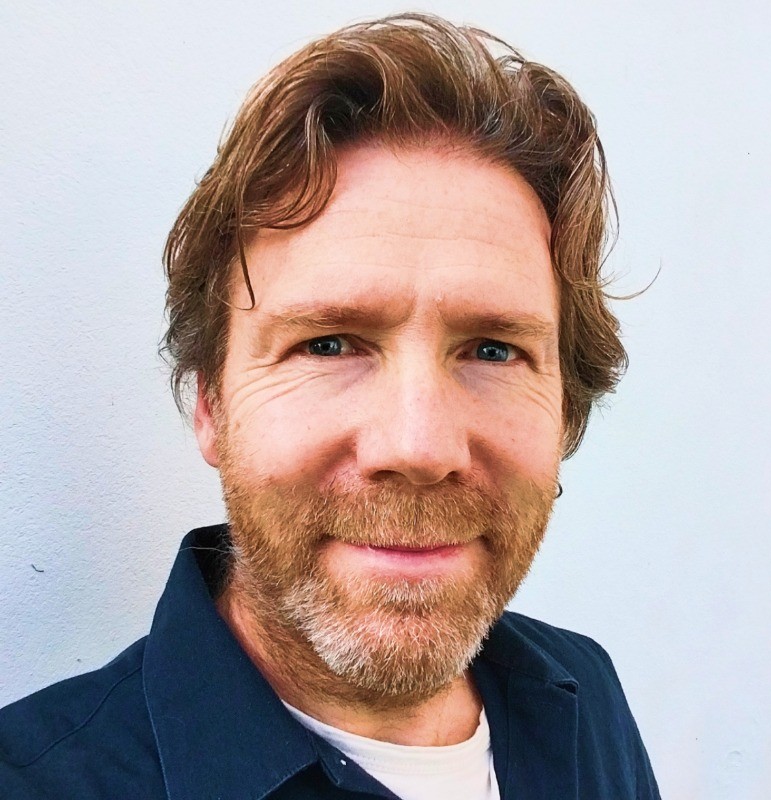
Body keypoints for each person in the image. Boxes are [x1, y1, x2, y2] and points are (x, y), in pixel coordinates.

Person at [0, 13, 660, 799]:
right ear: (210, 401)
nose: (418, 445)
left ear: (567, 410)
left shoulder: (581, 694)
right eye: (329, 344)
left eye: (493, 350)